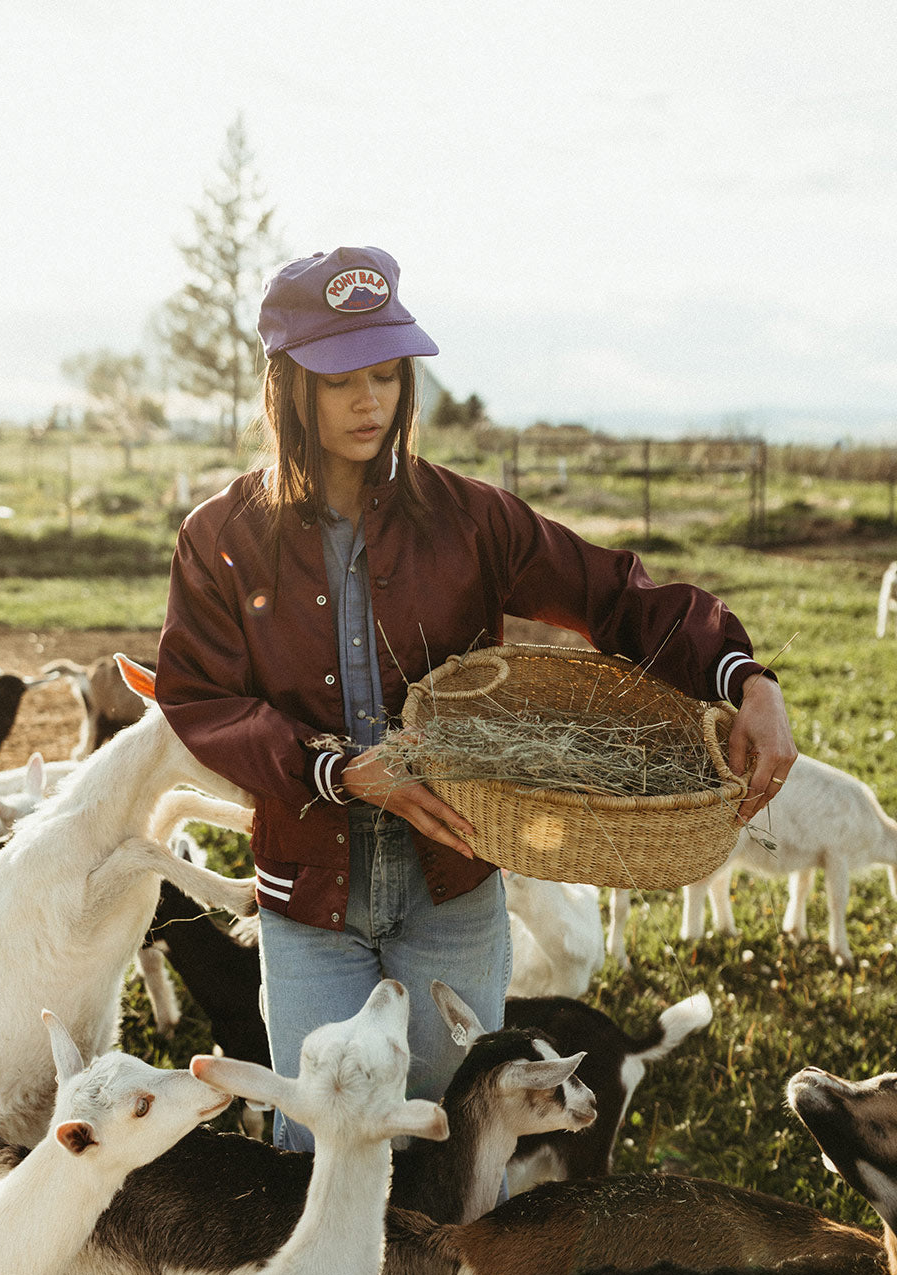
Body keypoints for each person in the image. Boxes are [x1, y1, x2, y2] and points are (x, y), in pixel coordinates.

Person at [154, 244, 798, 1146]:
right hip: (307, 893)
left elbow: (616, 595)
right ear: (288, 383)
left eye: (386, 373)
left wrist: (746, 675)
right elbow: (198, 695)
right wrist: (335, 770)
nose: (370, 400)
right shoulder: (219, 536)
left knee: (449, 1145)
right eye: (341, 378)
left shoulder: (470, 519)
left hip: (451, 883)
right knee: (321, 1150)